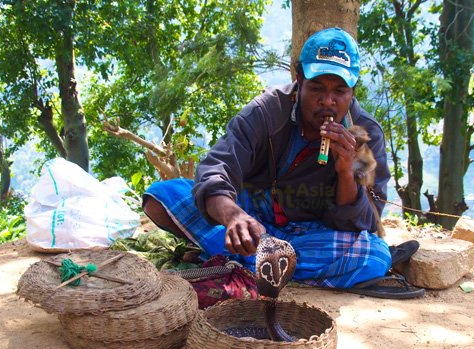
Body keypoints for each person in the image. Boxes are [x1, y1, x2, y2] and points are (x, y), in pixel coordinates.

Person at [142, 27, 423, 299]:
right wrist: (233, 216)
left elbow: (366, 219)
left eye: (340, 91)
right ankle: (268, 258)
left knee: (373, 255)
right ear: (299, 79)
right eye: (316, 88)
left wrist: (345, 172)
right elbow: (218, 167)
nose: (328, 101)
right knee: (161, 197)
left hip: (314, 230)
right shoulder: (267, 111)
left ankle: (246, 258)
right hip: (255, 213)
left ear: (352, 90)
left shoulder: (366, 134)